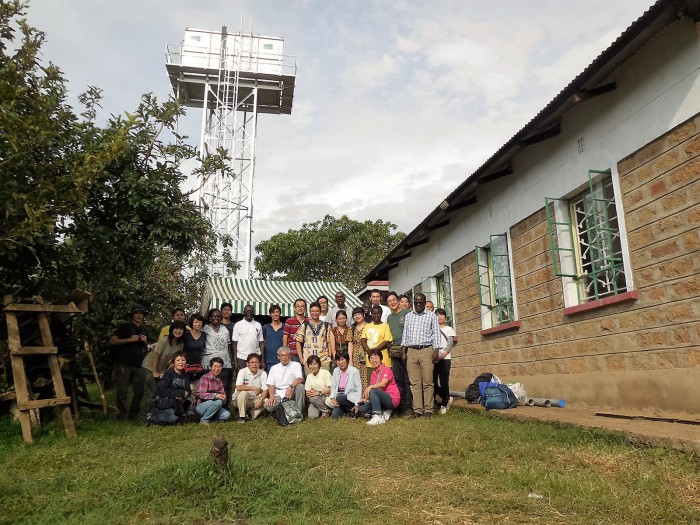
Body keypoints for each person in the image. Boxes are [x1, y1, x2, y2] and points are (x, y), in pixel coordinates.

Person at [401, 293, 443, 418]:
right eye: (416, 302)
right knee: (414, 383)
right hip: (412, 351)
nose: (418, 304)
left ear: (425, 303)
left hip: (426, 350)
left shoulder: (431, 316)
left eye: (420, 302)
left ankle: (429, 409)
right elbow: (405, 335)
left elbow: (436, 334)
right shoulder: (409, 316)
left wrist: (435, 351)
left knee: (428, 382)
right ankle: (418, 410)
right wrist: (403, 351)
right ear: (413, 303)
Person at [110, 304, 150, 421]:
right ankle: (122, 416)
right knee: (122, 391)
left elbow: (146, 347)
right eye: (136, 313)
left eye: (141, 313)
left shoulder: (144, 330)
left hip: (138, 364)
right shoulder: (125, 327)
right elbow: (112, 340)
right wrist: (129, 339)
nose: (138, 315)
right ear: (132, 315)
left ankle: (133, 416)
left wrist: (146, 342)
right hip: (123, 363)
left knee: (139, 391)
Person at [142, 320, 186, 409]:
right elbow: (156, 356)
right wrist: (154, 371)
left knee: (161, 389)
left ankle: (159, 410)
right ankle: (149, 412)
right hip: (149, 366)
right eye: (176, 328)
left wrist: (166, 372)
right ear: (172, 329)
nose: (178, 331)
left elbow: (174, 360)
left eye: (181, 329)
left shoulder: (180, 344)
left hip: (162, 369)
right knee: (152, 390)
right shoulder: (164, 340)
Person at [147, 351, 191, 426]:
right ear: (173, 362)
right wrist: (180, 393)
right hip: (164, 402)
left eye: (183, 360)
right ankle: (152, 417)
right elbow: (162, 391)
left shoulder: (186, 375)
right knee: (172, 417)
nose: (181, 362)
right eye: (178, 360)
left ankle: (176, 416)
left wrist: (184, 394)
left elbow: (188, 391)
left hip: (177, 403)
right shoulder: (168, 374)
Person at [386, 291, 412, 415]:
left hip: (407, 350)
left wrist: (406, 349)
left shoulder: (407, 313)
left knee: (408, 379)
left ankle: (408, 406)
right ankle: (400, 405)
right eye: (389, 301)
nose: (392, 302)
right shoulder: (389, 318)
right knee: (398, 379)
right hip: (395, 352)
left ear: (398, 300)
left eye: (394, 300)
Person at [357, 350, 400, 425]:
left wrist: (370, 387)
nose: (373, 360)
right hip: (380, 399)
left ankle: (378, 416)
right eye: (371, 358)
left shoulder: (386, 369)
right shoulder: (373, 373)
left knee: (373, 390)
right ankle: (383, 411)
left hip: (391, 399)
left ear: (381, 359)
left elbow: (383, 384)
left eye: (376, 358)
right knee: (361, 409)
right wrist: (365, 399)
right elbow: (372, 392)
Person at [265, 346, 306, 420]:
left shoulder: (296, 365)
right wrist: (271, 396)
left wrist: (290, 388)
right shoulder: (274, 368)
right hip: (279, 393)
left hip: (292, 391)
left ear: (290, 356)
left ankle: (298, 413)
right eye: (282, 355)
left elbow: (299, 379)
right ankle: (283, 411)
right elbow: (271, 384)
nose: (284, 357)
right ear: (278, 357)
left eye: (286, 355)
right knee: (269, 407)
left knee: (301, 387)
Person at [201, 309, 233, 402]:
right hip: (209, 362)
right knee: (210, 385)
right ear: (210, 317)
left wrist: (231, 360)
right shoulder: (205, 329)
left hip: (225, 362)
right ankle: (209, 405)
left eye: (218, 316)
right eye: (214, 316)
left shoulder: (224, 329)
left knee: (224, 385)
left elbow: (228, 345)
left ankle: (224, 405)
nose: (216, 318)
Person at [296, 302, 335, 374]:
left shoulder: (326, 326)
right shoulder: (304, 325)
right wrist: (301, 357)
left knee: (324, 380)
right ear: (310, 312)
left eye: (317, 311)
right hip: (308, 361)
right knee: (310, 380)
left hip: (324, 360)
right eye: (313, 311)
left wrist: (329, 356)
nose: (315, 313)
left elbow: (329, 342)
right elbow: (298, 341)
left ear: (320, 312)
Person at [361, 305, 393, 384]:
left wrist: (375, 350)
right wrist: (368, 350)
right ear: (371, 314)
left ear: (381, 314)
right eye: (374, 313)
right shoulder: (367, 326)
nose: (376, 315)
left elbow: (387, 340)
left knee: (384, 383)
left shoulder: (385, 326)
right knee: (371, 382)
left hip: (383, 359)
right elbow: (363, 340)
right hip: (370, 359)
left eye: (378, 313)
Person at [233, 353, 268, 423]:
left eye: (256, 362)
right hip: (241, 399)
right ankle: (242, 417)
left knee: (267, 401)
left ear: (259, 363)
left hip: (254, 399)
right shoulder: (242, 371)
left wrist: (261, 399)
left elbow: (265, 389)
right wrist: (253, 388)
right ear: (247, 363)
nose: (254, 364)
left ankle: (250, 414)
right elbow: (238, 387)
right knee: (243, 393)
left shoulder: (263, 373)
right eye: (252, 362)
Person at [194, 357, 231, 424]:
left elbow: (223, 395)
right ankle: (204, 420)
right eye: (215, 366)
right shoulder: (204, 378)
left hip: (214, 405)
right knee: (218, 402)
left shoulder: (219, 381)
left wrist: (223, 398)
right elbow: (202, 395)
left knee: (226, 415)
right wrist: (216, 395)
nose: (217, 369)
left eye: (219, 366)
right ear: (211, 367)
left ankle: (210, 419)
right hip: (200, 406)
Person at [329, 352, 362, 419]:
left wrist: (357, 404)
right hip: (339, 399)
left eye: (342, 359)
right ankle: (348, 411)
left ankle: (353, 409)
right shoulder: (336, 370)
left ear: (347, 360)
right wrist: (332, 398)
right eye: (338, 360)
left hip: (350, 398)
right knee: (334, 416)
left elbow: (359, 389)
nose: (340, 362)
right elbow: (333, 386)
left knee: (341, 398)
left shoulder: (354, 371)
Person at [232, 304, 264, 373]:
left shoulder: (258, 325)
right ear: (244, 312)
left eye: (251, 311)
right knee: (242, 378)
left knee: (255, 378)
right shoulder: (238, 325)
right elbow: (234, 343)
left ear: (254, 313)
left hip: (255, 357)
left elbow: (261, 343)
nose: (249, 313)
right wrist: (235, 360)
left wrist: (262, 360)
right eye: (247, 311)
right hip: (241, 357)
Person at [434, 308, 455, 414]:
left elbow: (450, 343)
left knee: (443, 381)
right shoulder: (432, 329)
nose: (440, 317)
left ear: (445, 317)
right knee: (432, 381)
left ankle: (444, 404)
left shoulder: (449, 329)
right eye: (437, 315)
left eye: (442, 315)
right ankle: (446, 397)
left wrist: (443, 355)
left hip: (445, 359)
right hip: (434, 359)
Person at [304, 355, 332, 419]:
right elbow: (308, 393)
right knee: (312, 416)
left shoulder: (325, 373)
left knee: (313, 398)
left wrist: (317, 393)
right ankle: (326, 411)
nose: (313, 366)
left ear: (319, 364)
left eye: (315, 364)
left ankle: (325, 412)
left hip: (326, 397)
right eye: (311, 364)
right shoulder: (309, 376)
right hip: (316, 399)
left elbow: (329, 389)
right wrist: (311, 393)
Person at [348, 307, 369, 391]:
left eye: (359, 314)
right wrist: (350, 360)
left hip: (367, 356)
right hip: (356, 358)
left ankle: (366, 396)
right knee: (356, 379)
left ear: (363, 315)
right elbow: (350, 344)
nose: (357, 316)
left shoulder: (369, 326)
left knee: (367, 378)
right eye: (355, 315)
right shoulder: (352, 328)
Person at [283, 298, 308, 363]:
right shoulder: (289, 321)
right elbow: (285, 337)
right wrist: (286, 352)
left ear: (305, 308)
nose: (300, 308)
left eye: (302, 306)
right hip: (293, 354)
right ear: (294, 308)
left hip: (307, 353)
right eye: (298, 306)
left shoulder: (309, 321)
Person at [262, 304, 284, 374]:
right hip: (269, 360)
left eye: (277, 312)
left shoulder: (285, 327)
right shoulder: (266, 327)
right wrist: (263, 360)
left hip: (282, 360)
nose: (275, 314)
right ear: (270, 314)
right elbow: (262, 343)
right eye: (273, 312)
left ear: (280, 313)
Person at [183, 313, 206, 379]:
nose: (198, 324)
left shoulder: (204, 335)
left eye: (200, 322)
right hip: (186, 365)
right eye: (195, 322)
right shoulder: (186, 335)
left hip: (199, 366)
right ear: (191, 323)